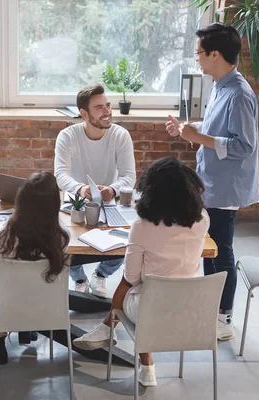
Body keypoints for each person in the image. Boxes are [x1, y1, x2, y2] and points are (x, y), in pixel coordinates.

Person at [73, 157, 210, 387]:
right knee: (150, 289)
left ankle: (115, 336)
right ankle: (108, 331)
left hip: (150, 312)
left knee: (132, 288)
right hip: (192, 309)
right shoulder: (203, 219)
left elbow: (131, 277)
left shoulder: (142, 226)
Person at [166, 23, 259, 341]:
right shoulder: (220, 85)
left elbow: (244, 146)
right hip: (210, 182)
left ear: (215, 54)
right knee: (210, 249)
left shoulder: (240, 94)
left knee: (221, 251)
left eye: (199, 54)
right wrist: (188, 130)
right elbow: (218, 129)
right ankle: (211, 307)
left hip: (225, 187)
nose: (197, 61)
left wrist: (199, 135)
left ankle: (224, 317)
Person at [0, 172, 70, 365]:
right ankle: (25, 330)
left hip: (7, 308)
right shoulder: (62, 239)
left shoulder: (0, 239)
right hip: (46, 308)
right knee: (32, 283)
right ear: (55, 206)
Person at [54, 84, 136, 297]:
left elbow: (129, 176)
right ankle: (79, 278)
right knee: (62, 242)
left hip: (109, 201)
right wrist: (80, 188)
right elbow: (60, 175)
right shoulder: (67, 136)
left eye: (108, 105)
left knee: (126, 242)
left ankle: (100, 275)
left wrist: (112, 189)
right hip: (76, 201)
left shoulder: (121, 135)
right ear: (84, 113)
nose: (107, 111)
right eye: (99, 107)